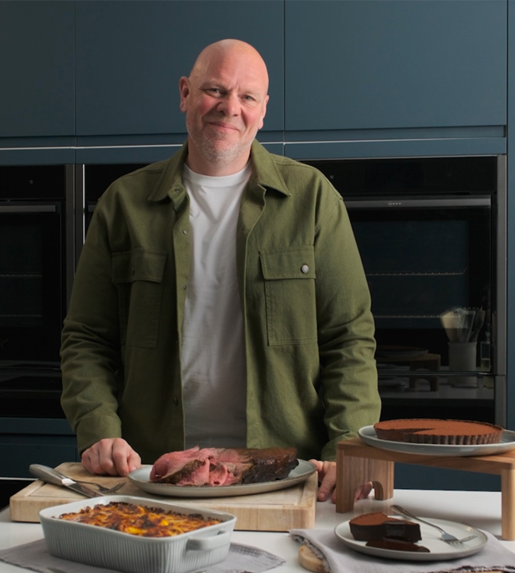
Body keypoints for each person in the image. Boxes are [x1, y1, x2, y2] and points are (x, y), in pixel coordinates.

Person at [60, 39, 381, 502]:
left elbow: (349, 337)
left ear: (263, 110)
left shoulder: (312, 199)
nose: (230, 108)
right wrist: (98, 430)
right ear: (186, 93)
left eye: (247, 97)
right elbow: (87, 337)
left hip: (287, 473)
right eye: (215, 90)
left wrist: (346, 443)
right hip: (153, 474)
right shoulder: (124, 203)